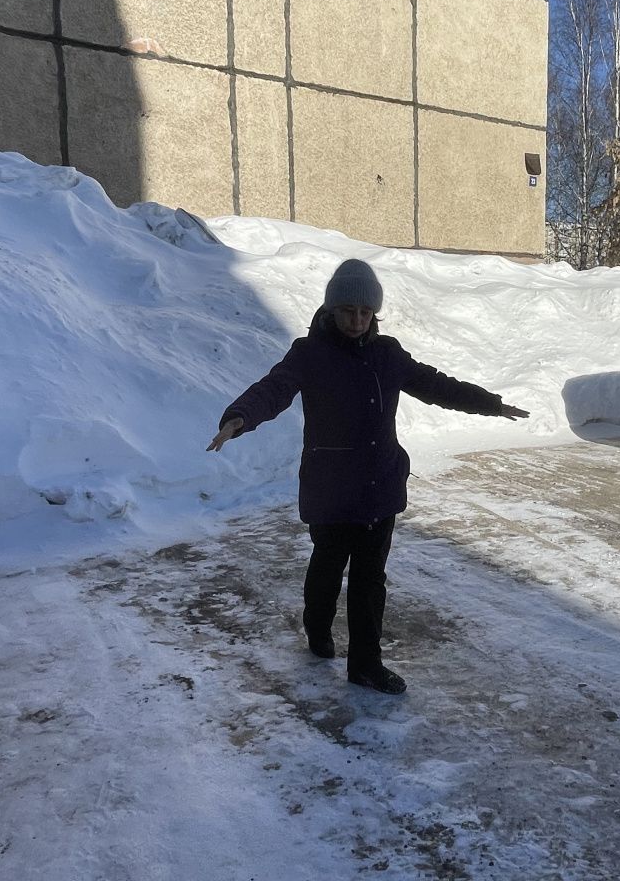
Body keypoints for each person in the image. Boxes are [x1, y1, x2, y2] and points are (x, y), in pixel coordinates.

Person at [207, 259, 529, 695]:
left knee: (369, 579)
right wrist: (240, 417)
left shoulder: (388, 353)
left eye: (365, 313)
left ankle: (365, 664)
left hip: (379, 485)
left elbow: (437, 386)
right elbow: (276, 388)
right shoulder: (310, 353)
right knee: (327, 567)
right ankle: (317, 630)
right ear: (331, 310)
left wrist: (489, 404)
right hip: (331, 488)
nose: (357, 321)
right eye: (348, 311)